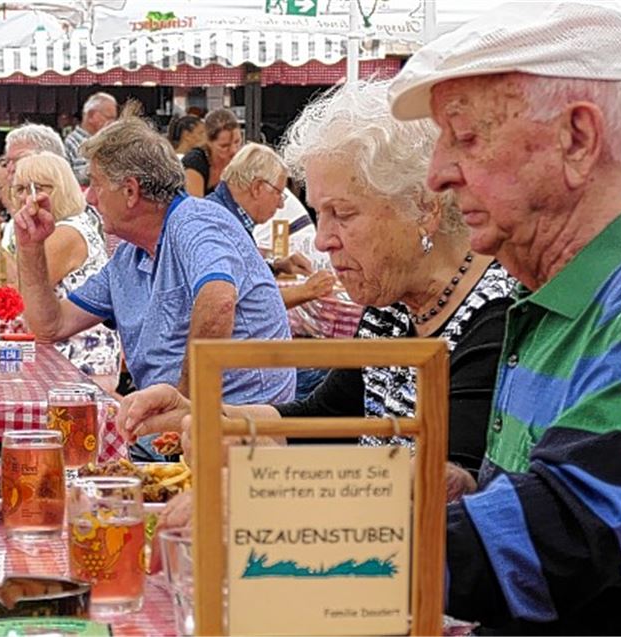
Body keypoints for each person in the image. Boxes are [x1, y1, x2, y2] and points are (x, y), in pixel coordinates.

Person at [388, 2, 621, 633]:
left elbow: (558, 537)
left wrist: (278, 534)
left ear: (577, 139)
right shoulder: (559, 287)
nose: (436, 174)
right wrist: (475, 494)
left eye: (466, 136)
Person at [120, 77, 514, 485]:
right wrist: (206, 416)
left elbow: (449, 491)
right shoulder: (395, 307)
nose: (323, 241)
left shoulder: (496, 317)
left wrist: (263, 467)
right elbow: (328, 415)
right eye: (318, 213)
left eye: (341, 214)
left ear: (424, 208)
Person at [15, 117, 295, 406]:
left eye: (96, 184)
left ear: (130, 191)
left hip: (238, 430)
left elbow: (218, 300)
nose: (90, 198)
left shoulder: (194, 220)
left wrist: (184, 407)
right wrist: (31, 248)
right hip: (178, 428)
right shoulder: (129, 255)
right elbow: (49, 326)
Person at [0, 152, 120, 378]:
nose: (28, 197)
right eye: (20, 189)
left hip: (80, 361)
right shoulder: (57, 228)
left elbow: (20, 293)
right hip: (59, 352)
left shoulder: (67, 233)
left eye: (39, 187)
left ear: (63, 188)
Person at [206, 143, 337, 308]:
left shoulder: (225, 215)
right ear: (257, 188)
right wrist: (308, 290)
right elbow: (247, 302)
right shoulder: (220, 226)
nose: (281, 205)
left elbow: (242, 277)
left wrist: (278, 266)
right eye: (278, 193)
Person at [0, 123, 66, 256]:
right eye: (7, 162)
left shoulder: (65, 226)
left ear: (50, 165)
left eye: (19, 160)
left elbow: (31, 276)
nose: (10, 169)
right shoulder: (16, 222)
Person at [183, 108, 242, 196]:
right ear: (208, 142)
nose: (234, 150)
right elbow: (195, 207)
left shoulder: (243, 160)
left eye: (237, 142)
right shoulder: (195, 163)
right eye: (224, 146)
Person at [63, 92, 117, 185]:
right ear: (91, 116)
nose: (113, 124)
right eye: (109, 118)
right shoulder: (73, 142)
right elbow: (75, 177)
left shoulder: (108, 140)